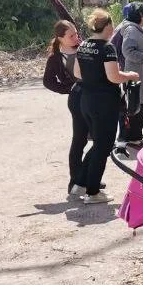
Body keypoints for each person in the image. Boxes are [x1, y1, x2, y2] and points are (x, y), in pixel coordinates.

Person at [74, 9, 139, 204]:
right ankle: (93, 192)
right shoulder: (107, 48)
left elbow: (77, 73)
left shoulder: (83, 45)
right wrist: (130, 75)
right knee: (104, 146)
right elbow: (114, 77)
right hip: (104, 103)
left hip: (86, 100)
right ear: (108, 26)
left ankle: (81, 183)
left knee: (99, 144)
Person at [42, 20, 89, 198]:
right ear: (60, 38)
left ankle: (88, 176)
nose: (76, 38)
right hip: (77, 100)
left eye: (76, 33)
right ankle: (76, 180)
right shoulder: (56, 58)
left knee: (99, 141)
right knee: (79, 140)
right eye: (71, 36)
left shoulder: (84, 48)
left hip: (93, 98)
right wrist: (68, 89)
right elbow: (48, 81)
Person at [115, 2, 143, 156]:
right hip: (136, 74)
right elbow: (127, 51)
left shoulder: (138, 29)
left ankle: (136, 136)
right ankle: (132, 138)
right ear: (140, 15)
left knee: (142, 105)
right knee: (136, 106)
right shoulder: (131, 30)